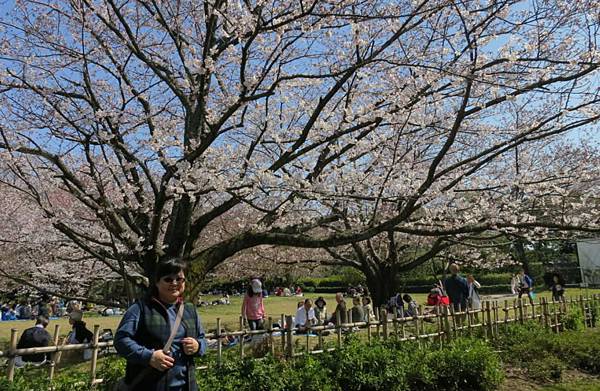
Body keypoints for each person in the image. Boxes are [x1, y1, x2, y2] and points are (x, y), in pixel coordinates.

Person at [114, 259, 206, 391]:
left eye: (179, 279)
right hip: (149, 385)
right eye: (168, 279)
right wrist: (149, 356)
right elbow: (121, 340)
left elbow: (202, 338)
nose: (174, 283)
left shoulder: (190, 310)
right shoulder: (140, 308)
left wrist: (198, 346)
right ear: (157, 282)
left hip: (186, 385)